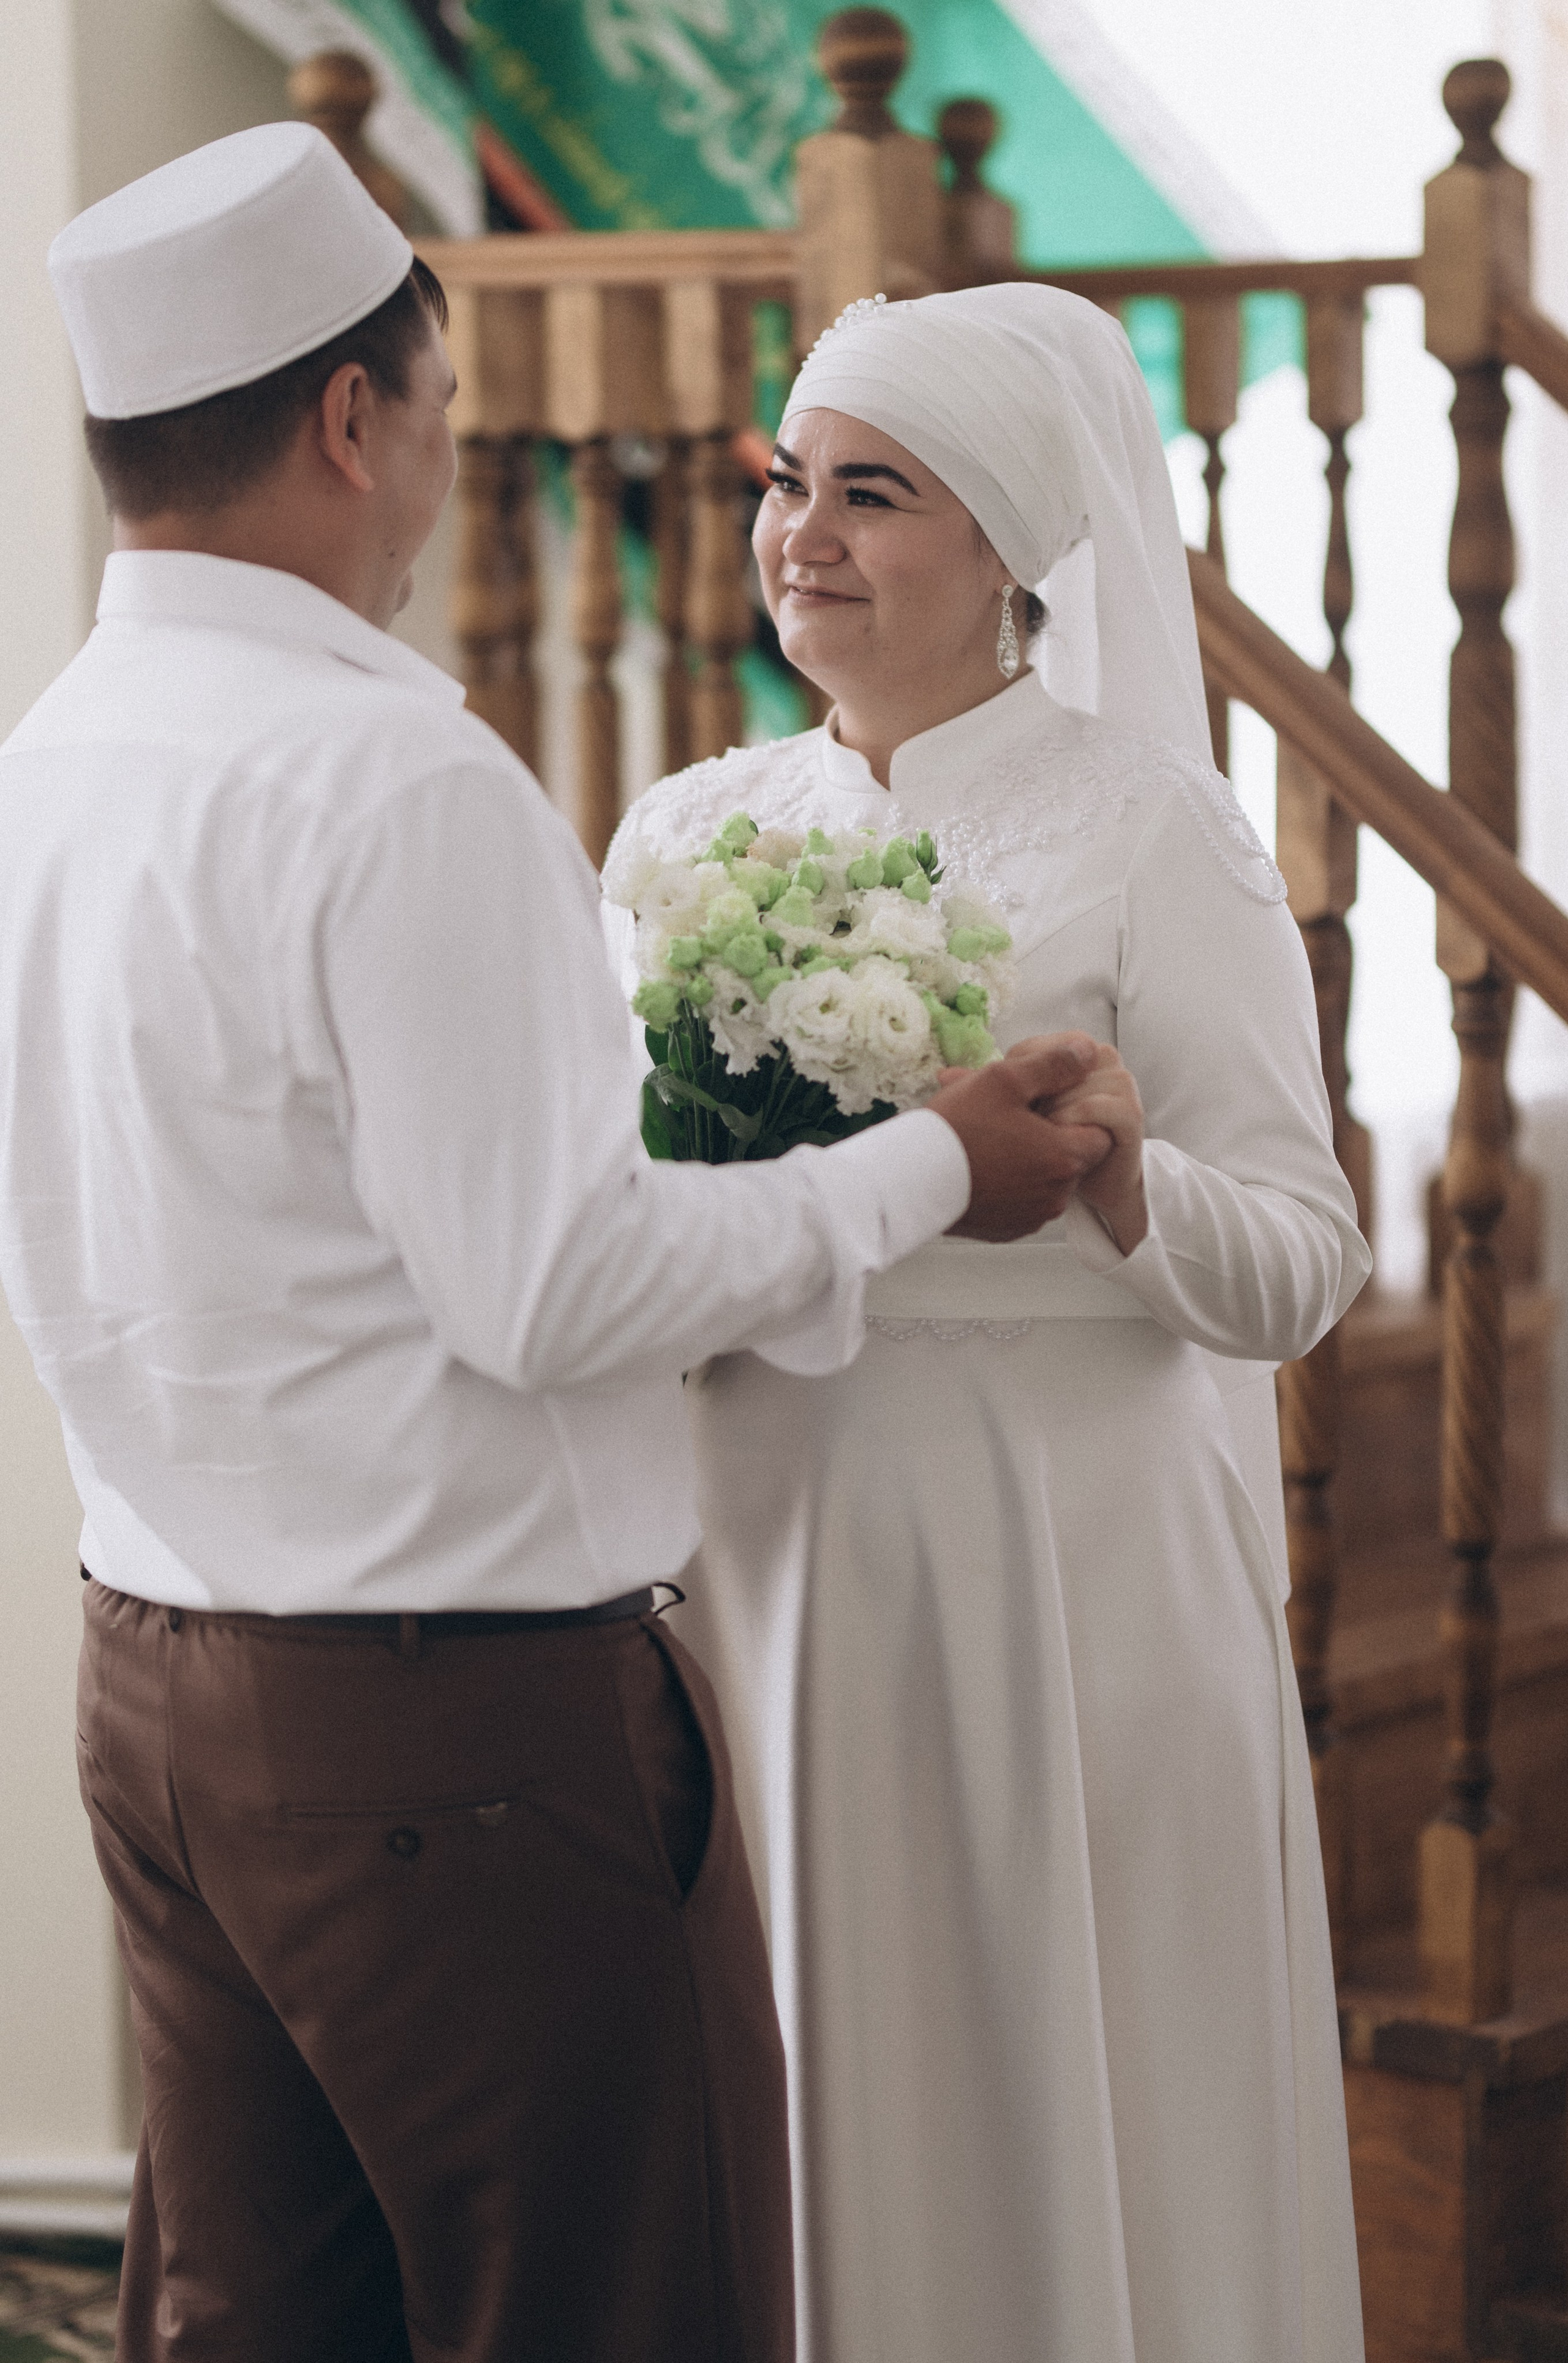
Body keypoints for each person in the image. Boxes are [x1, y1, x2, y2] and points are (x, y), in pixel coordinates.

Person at [0, 134, 1117, 2363]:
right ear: (351, 417)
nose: (442, 454)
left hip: (153, 1699)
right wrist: (933, 1173)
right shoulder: (392, 776)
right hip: (459, 1741)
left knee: (254, 2325)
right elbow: (555, 1287)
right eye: (441, 407)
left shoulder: (56, 754)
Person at [605, 284, 1374, 2363]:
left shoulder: (1153, 822)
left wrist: (1129, 1183)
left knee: (1065, 2089)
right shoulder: (683, 833)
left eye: (874, 491)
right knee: (805, 2099)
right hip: (770, 1552)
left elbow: (1305, 1257)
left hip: (1068, 1566)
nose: (804, 533)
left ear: (1016, 544)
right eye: (789, 481)